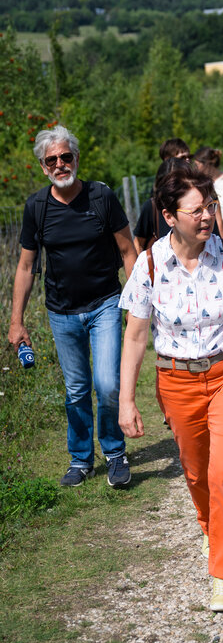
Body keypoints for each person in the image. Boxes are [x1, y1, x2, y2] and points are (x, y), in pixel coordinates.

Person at [117, 166, 223, 612]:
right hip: (177, 381)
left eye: (210, 206)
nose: (207, 216)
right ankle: (213, 526)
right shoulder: (149, 265)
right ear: (169, 216)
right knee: (196, 470)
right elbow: (134, 336)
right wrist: (126, 399)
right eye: (196, 210)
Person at [8, 125, 137, 487]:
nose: (61, 164)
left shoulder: (101, 197)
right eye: (53, 160)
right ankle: (80, 460)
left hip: (105, 303)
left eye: (66, 157)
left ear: (76, 158)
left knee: (108, 384)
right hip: (61, 311)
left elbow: (129, 252)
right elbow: (25, 265)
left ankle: (114, 453)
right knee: (77, 389)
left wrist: (140, 303)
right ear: (43, 166)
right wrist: (16, 322)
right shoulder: (37, 207)